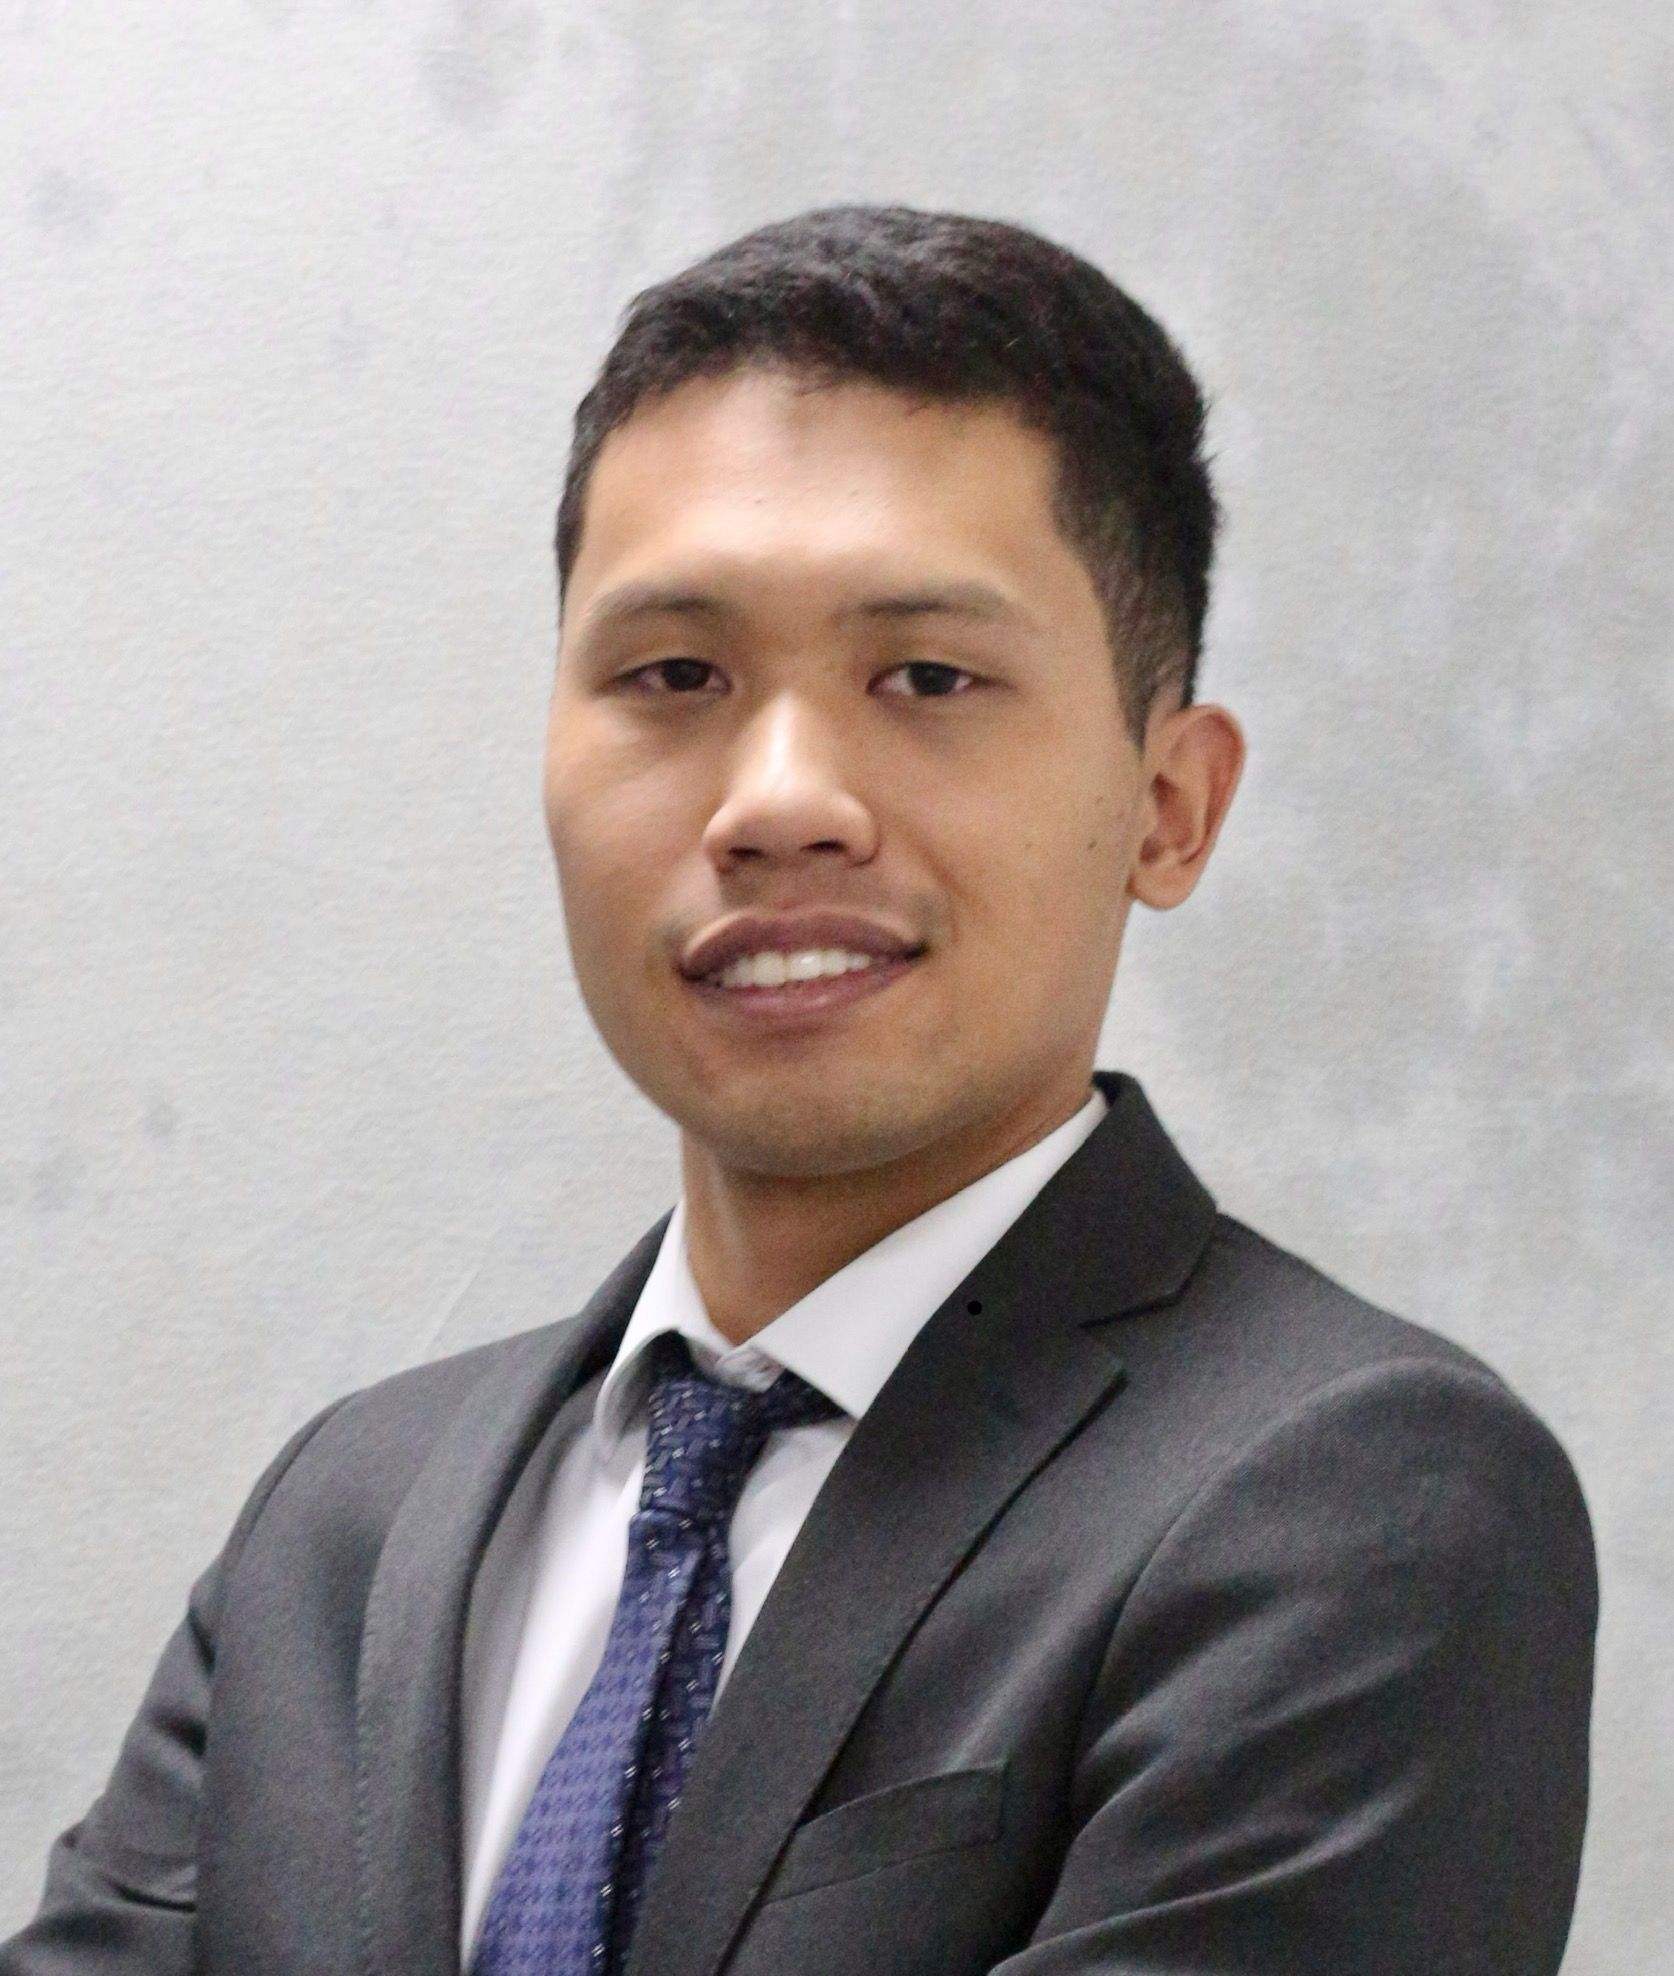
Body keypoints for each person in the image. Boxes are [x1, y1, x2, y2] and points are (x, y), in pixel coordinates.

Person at [3, 205, 1596, 1976]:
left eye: (926, 675)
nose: (777, 799)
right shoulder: (352, 1521)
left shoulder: (1349, 1501)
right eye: (672, 675)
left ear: (1169, 807)